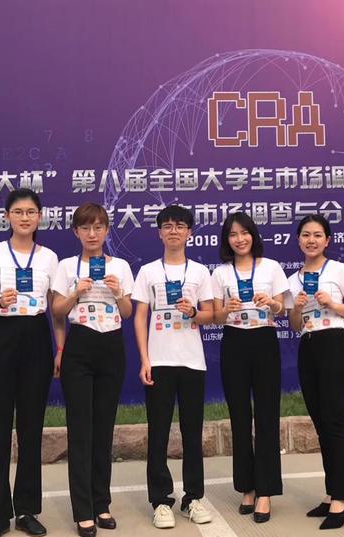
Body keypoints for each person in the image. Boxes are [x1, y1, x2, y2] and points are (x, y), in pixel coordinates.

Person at [0, 188, 63, 537]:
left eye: (31, 212)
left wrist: (60, 349)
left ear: (40, 217)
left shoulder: (49, 258)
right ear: (7, 216)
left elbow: (56, 311)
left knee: (31, 429)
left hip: (36, 340)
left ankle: (26, 510)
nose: (25, 217)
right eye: (18, 212)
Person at [51, 203, 134, 537]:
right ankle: (82, 510)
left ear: (107, 230)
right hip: (80, 346)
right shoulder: (66, 266)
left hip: (111, 346)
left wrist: (117, 292)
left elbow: (127, 312)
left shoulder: (121, 266)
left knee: (104, 428)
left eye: (98, 227)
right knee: (81, 429)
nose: (92, 233)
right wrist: (76, 291)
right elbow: (57, 311)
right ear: (76, 232)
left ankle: (102, 503)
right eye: (85, 227)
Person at [131, 205, 215, 529]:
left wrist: (193, 312)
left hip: (192, 361)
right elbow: (140, 316)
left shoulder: (200, 272)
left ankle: (193, 498)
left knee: (192, 432)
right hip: (159, 362)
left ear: (189, 232)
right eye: (167, 226)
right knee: (158, 433)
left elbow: (210, 314)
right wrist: (145, 359)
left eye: (180, 226)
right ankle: (160, 500)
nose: (174, 231)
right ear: (159, 233)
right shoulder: (148, 271)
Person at [286, 214, 344, 530]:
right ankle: (335, 490)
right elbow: (294, 325)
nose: (311, 240)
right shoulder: (293, 280)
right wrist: (296, 307)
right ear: (298, 240)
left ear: (327, 240)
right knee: (321, 423)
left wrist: (331, 303)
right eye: (306, 235)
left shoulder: (338, 269)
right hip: (308, 345)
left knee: (334, 420)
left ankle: (343, 496)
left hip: (334, 342)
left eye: (318, 235)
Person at [211, 212, 289, 523]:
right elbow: (215, 317)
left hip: (264, 340)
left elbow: (283, 310)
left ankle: (265, 491)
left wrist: (271, 303)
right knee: (240, 417)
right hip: (234, 342)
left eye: (244, 233)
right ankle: (247, 487)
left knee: (267, 415)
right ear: (227, 240)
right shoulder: (221, 273)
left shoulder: (271, 267)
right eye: (233, 234)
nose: (239, 239)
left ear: (253, 235)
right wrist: (225, 310)